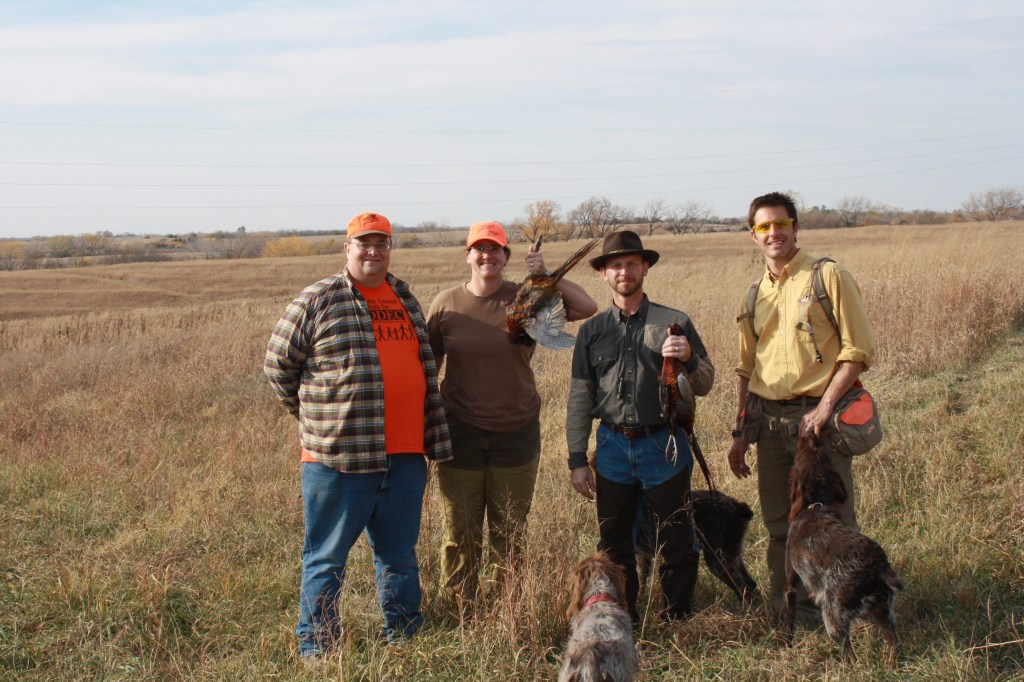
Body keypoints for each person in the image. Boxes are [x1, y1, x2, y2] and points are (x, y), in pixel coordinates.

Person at [264, 212, 452, 659]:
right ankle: (318, 647)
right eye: (363, 243)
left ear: (390, 248)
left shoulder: (403, 295)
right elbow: (277, 366)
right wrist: (316, 420)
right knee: (326, 559)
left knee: (400, 556)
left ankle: (404, 637)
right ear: (347, 248)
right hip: (338, 461)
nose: (373, 251)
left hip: (406, 455)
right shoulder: (318, 299)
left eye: (381, 243)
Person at [427, 221, 597, 605]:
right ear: (468, 255)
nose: (487, 256)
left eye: (495, 249)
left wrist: (543, 275)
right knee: (460, 528)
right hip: (460, 431)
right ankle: (461, 606)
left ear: (506, 256)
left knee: (510, 528)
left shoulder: (527, 297)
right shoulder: (446, 303)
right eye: (479, 249)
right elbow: (429, 367)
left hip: (516, 430)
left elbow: (587, 307)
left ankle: (509, 604)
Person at [726, 191, 876, 620]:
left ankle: (846, 611)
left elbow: (857, 351)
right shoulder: (753, 295)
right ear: (752, 234)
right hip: (770, 425)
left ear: (795, 226)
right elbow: (746, 370)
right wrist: (739, 434)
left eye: (781, 224)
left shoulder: (827, 277)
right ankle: (792, 614)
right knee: (780, 527)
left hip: (820, 422)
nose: (773, 233)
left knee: (832, 524)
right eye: (763, 226)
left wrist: (824, 409)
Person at [566, 230, 715, 621]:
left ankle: (677, 615)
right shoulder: (592, 331)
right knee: (614, 542)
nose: (624, 271)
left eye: (632, 263)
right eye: (615, 265)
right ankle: (623, 617)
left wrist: (689, 359)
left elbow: (705, 383)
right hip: (613, 447)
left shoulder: (674, 322)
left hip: (664, 445)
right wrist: (577, 458)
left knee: (677, 537)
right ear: (603, 274)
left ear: (645, 267)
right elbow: (580, 398)